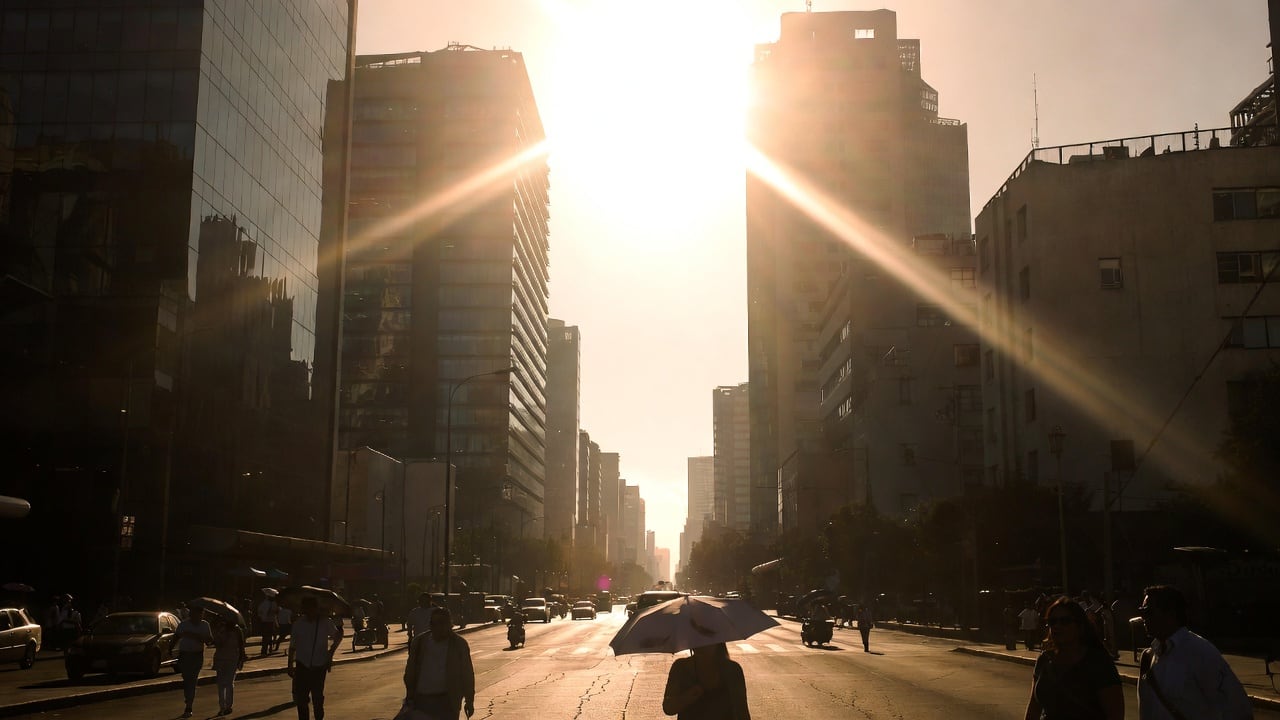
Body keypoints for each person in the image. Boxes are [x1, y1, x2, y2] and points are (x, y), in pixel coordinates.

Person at [1136, 585, 1252, 720]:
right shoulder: (1148, 657)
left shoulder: (1200, 652)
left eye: (1148, 612)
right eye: (1141, 612)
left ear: (1171, 614)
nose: (1143, 618)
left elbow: (1238, 709)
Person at [1023, 597, 1124, 720]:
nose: (1057, 626)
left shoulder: (1098, 662)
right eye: (1052, 621)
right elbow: (1033, 710)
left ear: (1080, 626)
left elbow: (1115, 714)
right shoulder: (1044, 660)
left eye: (1065, 621)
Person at [403, 607, 476, 719]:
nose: (438, 627)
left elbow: (467, 674)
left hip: (447, 701)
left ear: (449, 624)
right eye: (434, 623)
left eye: (442, 623)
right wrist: (409, 695)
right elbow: (410, 671)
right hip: (422, 700)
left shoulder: (459, 644)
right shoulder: (419, 642)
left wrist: (469, 700)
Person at [287, 596, 344, 720]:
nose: (309, 611)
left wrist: (331, 652)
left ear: (316, 609)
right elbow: (292, 646)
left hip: (319, 666)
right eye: (306, 608)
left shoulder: (325, 622)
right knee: (301, 700)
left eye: (311, 608)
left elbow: (337, 637)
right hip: (302, 666)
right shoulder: (298, 624)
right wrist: (290, 664)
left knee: (317, 699)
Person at [662, 642, 750, 719]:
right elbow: (668, 708)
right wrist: (687, 697)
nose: (700, 644)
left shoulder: (732, 670)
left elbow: (742, 711)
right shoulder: (681, 667)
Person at [175, 606, 214, 718]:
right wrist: (170, 650)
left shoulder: (205, 625)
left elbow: (210, 641)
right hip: (184, 654)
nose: (196, 616)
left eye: (199, 614)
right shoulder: (184, 624)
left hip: (197, 655)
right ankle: (188, 698)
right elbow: (176, 636)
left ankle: (189, 705)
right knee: (186, 679)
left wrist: (197, 636)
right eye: (194, 613)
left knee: (192, 680)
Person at [211, 616, 247, 716]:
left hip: (229, 658)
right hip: (224, 658)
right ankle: (224, 706)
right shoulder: (224, 629)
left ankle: (226, 706)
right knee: (224, 683)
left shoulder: (235, 630)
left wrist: (241, 658)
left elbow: (241, 645)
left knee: (226, 683)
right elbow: (217, 643)